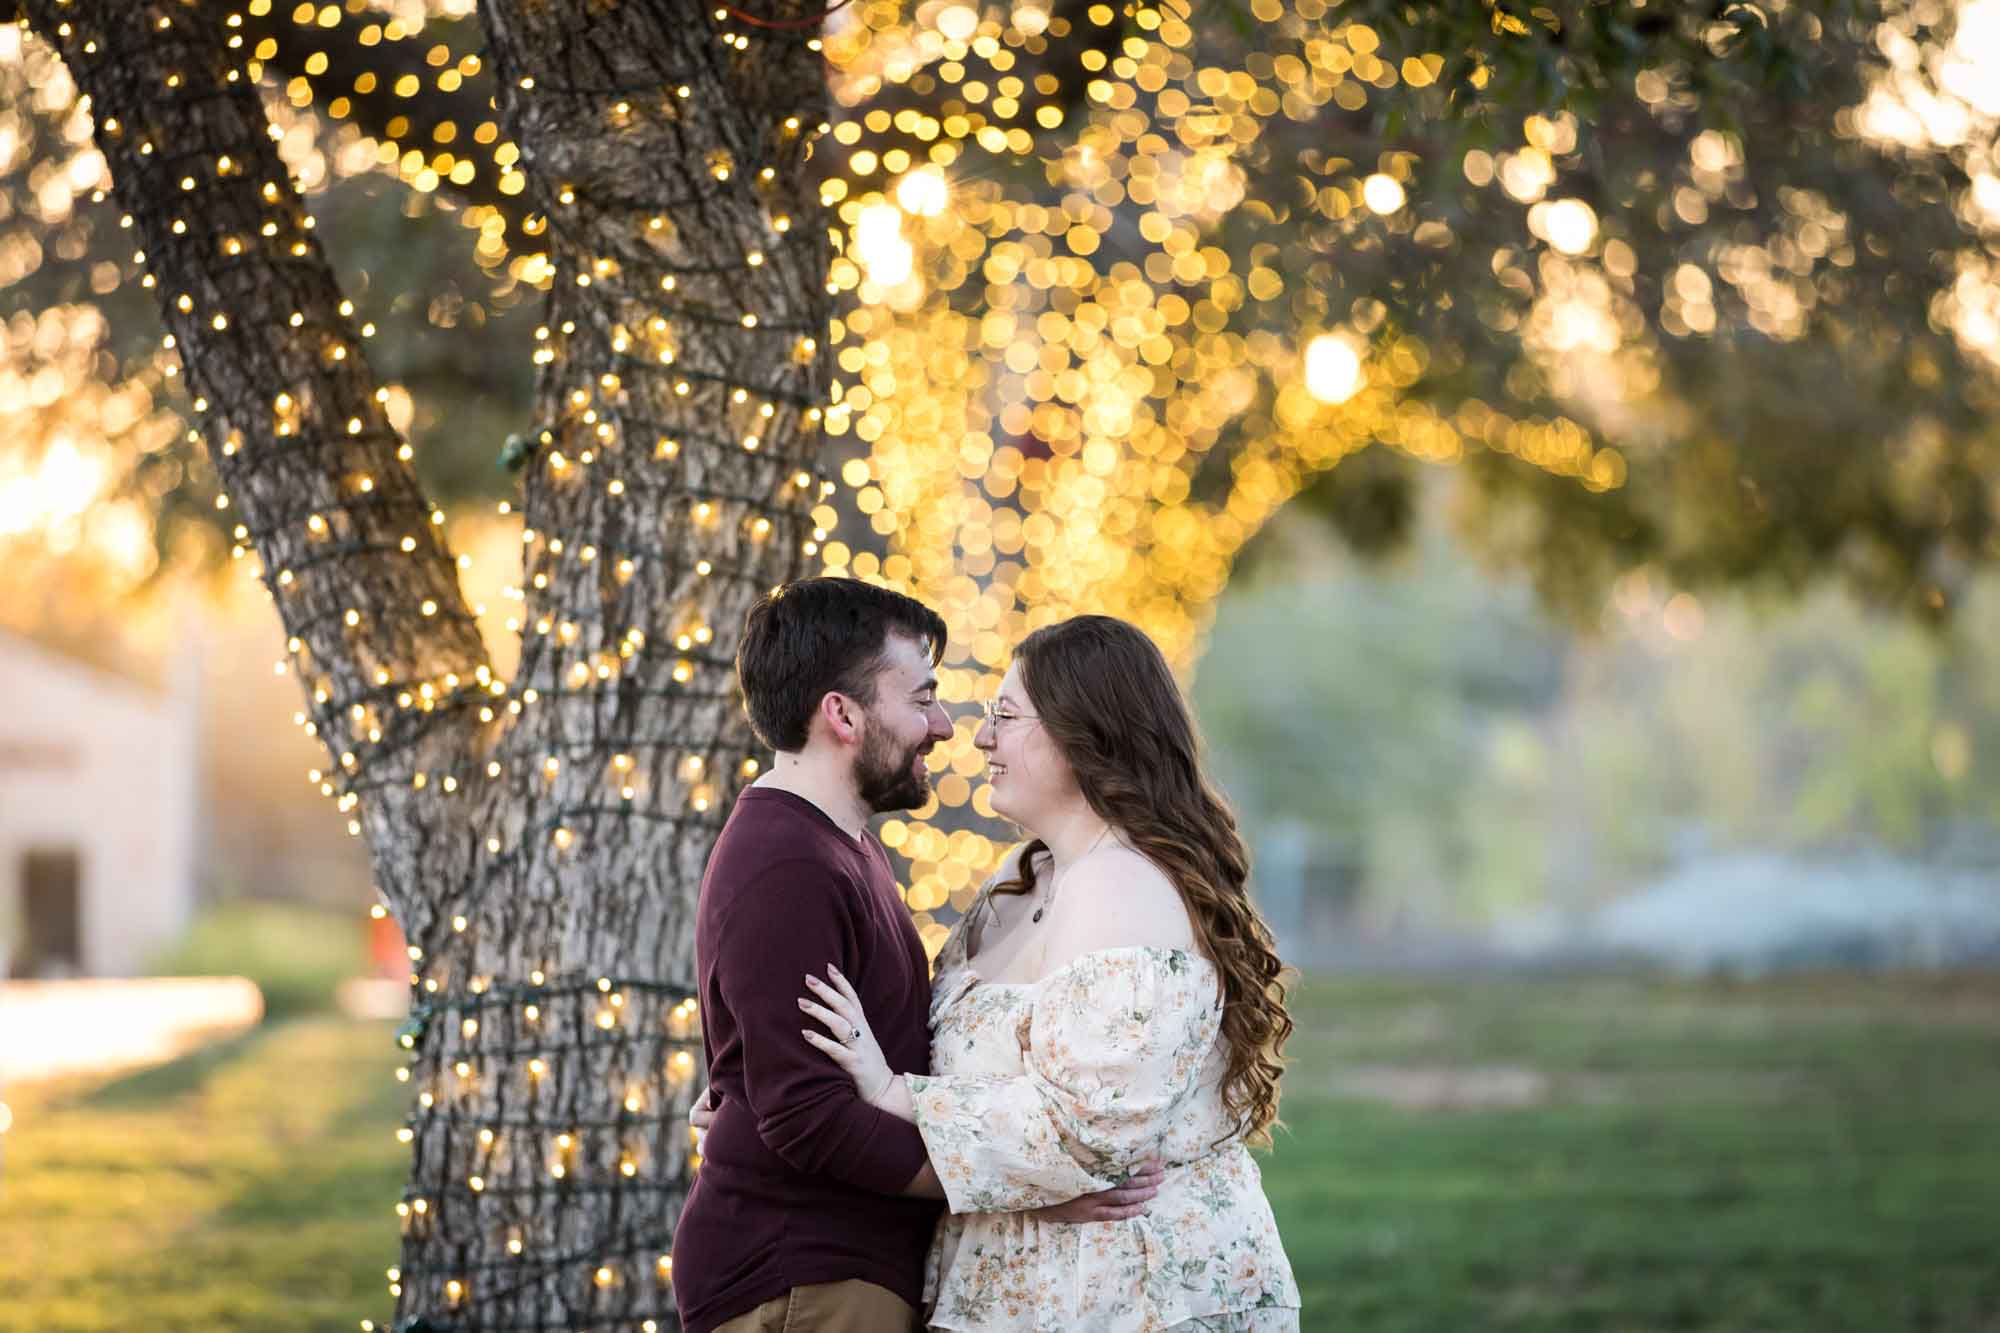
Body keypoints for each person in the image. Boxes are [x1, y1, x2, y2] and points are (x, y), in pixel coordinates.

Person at [674, 581, 1158, 1333]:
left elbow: (777, 1082)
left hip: (844, 1269)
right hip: (804, 1277)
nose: (941, 726)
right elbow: (808, 1119)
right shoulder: (788, 864)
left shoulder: (841, 845)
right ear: (842, 714)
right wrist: (1021, 1187)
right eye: (922, 696)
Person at [796, 613, 1302, 1330]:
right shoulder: (1022, 877)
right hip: (1017, 1291)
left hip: (1130, 1297)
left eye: (1005, 715)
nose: (979, 737)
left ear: (1082, 732)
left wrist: (890, 1092)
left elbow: (1090, 1131)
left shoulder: (1124, 888)